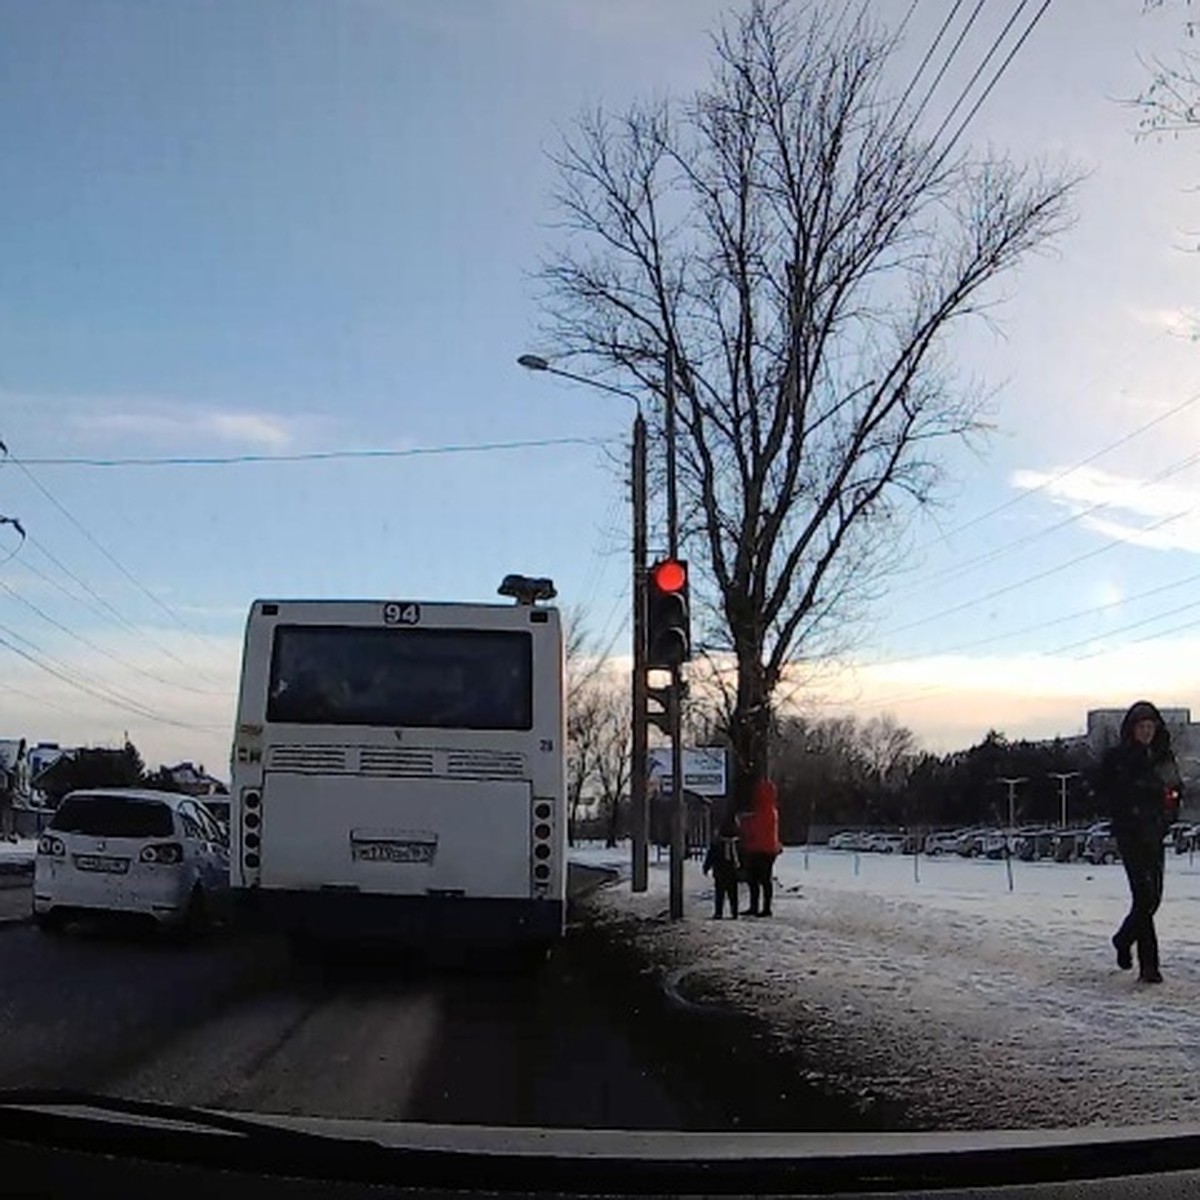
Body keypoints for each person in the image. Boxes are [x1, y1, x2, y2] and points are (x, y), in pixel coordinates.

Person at [1096, 700, 1183, 984]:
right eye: (1142, 727)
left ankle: (1123, 939)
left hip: (1154, 833)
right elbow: (1104, 791)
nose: (1146, 732)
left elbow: (1174, 791)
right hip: (1130, 834)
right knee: (1143, 896)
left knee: (1153, 898)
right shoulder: (1119, 759)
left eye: (1150, 726)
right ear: (1132, 729)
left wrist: (1167, 816)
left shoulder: (1162, 757)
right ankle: (1149, 967)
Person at [740, 776, 783, 917]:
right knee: (765, 880)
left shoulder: (761, 811)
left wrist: (744, 824)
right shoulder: (772, 810)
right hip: (769, 849)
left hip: (757, 849)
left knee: (755, 880)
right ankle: (765, 907)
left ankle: (758, 907)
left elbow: (753, 829)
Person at [702, 810, 742, 919]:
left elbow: (711, 855)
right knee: (732, 892)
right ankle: (734, 912)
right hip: (731, 869)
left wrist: (706, 866)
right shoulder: (737, 842)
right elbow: (742, 856)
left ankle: (719, 912)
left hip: (720, 869)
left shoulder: (718, 843)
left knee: (720, 892)